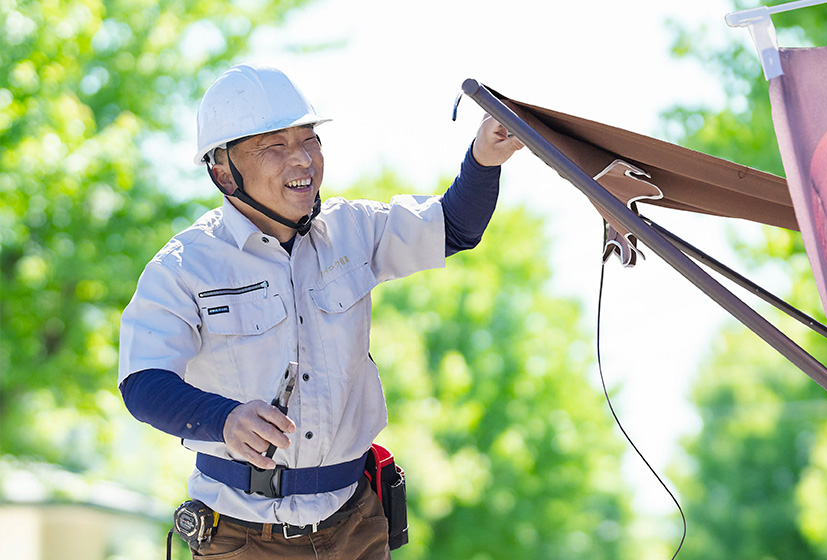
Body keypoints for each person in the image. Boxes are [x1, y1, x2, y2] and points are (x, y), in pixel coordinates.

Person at [117, 62, 523, 559]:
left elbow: (454, 227)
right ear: (222, 171)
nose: (302, 161)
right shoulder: (185, 267)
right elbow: (142, 383)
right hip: (244, 538)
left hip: (357, 525)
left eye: (309, 141)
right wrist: (222, 419)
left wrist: (484, 159)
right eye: (274, 146)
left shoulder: (353, 230)